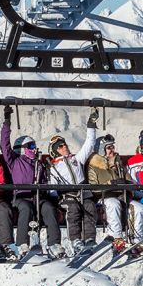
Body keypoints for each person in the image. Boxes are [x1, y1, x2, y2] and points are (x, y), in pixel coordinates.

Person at [0, 106, 57, 259]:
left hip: (38, 197)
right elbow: (4, 145)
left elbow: (45, 180)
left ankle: (54, 244)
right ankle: (22, 243)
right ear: (22, 149)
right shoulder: (15, 161)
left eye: (34, 146)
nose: (34, 149)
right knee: (25, 208)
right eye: (30, 146)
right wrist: (7, 122)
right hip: (21, 198)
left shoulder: (39, 164)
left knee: (48, 208)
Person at [45, 108, 99, 254]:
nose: (65, 147)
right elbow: (52, 187)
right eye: (61, 147)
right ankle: (75, 240)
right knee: (73, 209)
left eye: (65, 145)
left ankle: (89, 239)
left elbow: (89, 143)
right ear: (56, 151)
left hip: (82, 191)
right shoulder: (54, 167)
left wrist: (91, 125)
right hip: (67, 195)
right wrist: (55, 197)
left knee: (89, 207)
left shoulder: (76, 159)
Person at [87, 134, 143, 257]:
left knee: (138, 207)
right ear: (101, 149)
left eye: (112, 147)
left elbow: (130, 181)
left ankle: (137, 242)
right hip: (104, 197)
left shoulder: (118, 163)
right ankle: (117, 239)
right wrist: (111, 183)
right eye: (108, 147)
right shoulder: (93, 164)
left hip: (122, 196)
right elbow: (93, 186)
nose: (112, 150)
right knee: (113, 204)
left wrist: (127, 183)